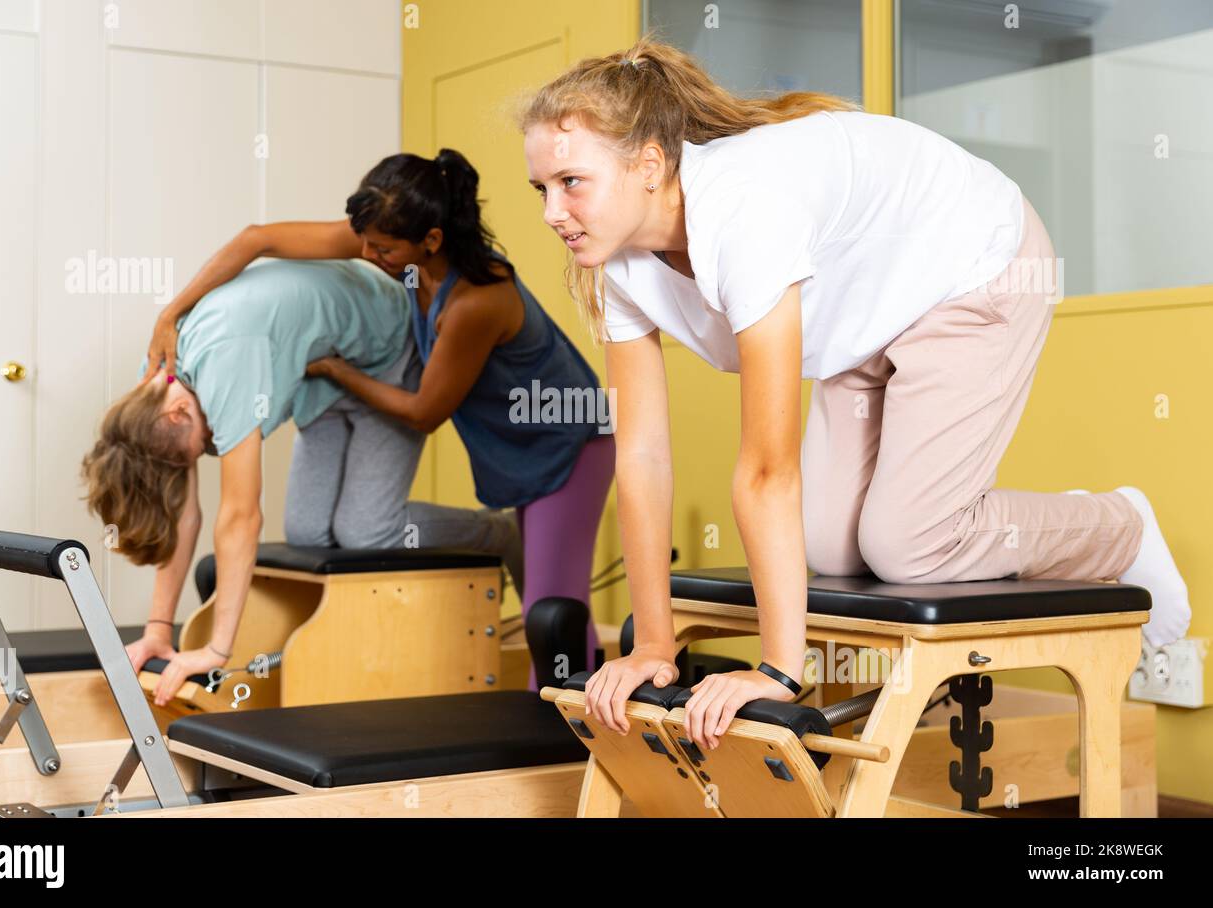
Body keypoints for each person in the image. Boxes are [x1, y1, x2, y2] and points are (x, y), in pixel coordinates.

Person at [519, 36, 1191, 750]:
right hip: (868, 315)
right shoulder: (617, 260)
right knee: (835, 547)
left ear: (648, 164)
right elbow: (644, 457)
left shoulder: (743, 212)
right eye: (541, 189)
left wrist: (779, 669)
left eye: (571, 182)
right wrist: (654, 644)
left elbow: (768, 470)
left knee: (908, 547)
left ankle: (1120, 526)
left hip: (976, 264)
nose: (552, 212)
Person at [143, 150, 614, 688]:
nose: (366, 255)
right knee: (541, 604)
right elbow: (257, 239)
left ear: (430, 241)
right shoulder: (392, 245)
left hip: (569, 440)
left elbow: (424, 412)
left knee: (550, 610)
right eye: (366, 241)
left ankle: (562, 740)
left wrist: (333, 369)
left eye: (382, 248)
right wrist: (170, 312)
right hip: (508, 446)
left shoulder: (477, 301)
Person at [83, 257, 521, 705]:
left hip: (389, 353)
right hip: (324, 373)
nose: (202, 453)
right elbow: (184, 512)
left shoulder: (225, 368)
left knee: (367, 532)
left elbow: (241, 516)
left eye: (194, 449)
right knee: (308, 532)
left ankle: (500, 532)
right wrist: (158, 630)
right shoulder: (155, 386)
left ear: (177, 414)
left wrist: (217, 650)